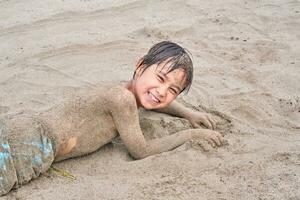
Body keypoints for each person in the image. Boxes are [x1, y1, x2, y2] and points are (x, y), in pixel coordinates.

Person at [0, 41, 225, 195]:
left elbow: (153, 98)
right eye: (160, 78)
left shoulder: (127, 92)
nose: (162, 91)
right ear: (140, 66)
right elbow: (141, 151)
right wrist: (191, 134)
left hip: (29, 130)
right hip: (34, 145)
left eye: (173, 90)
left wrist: (189, 114)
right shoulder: (123, 100)